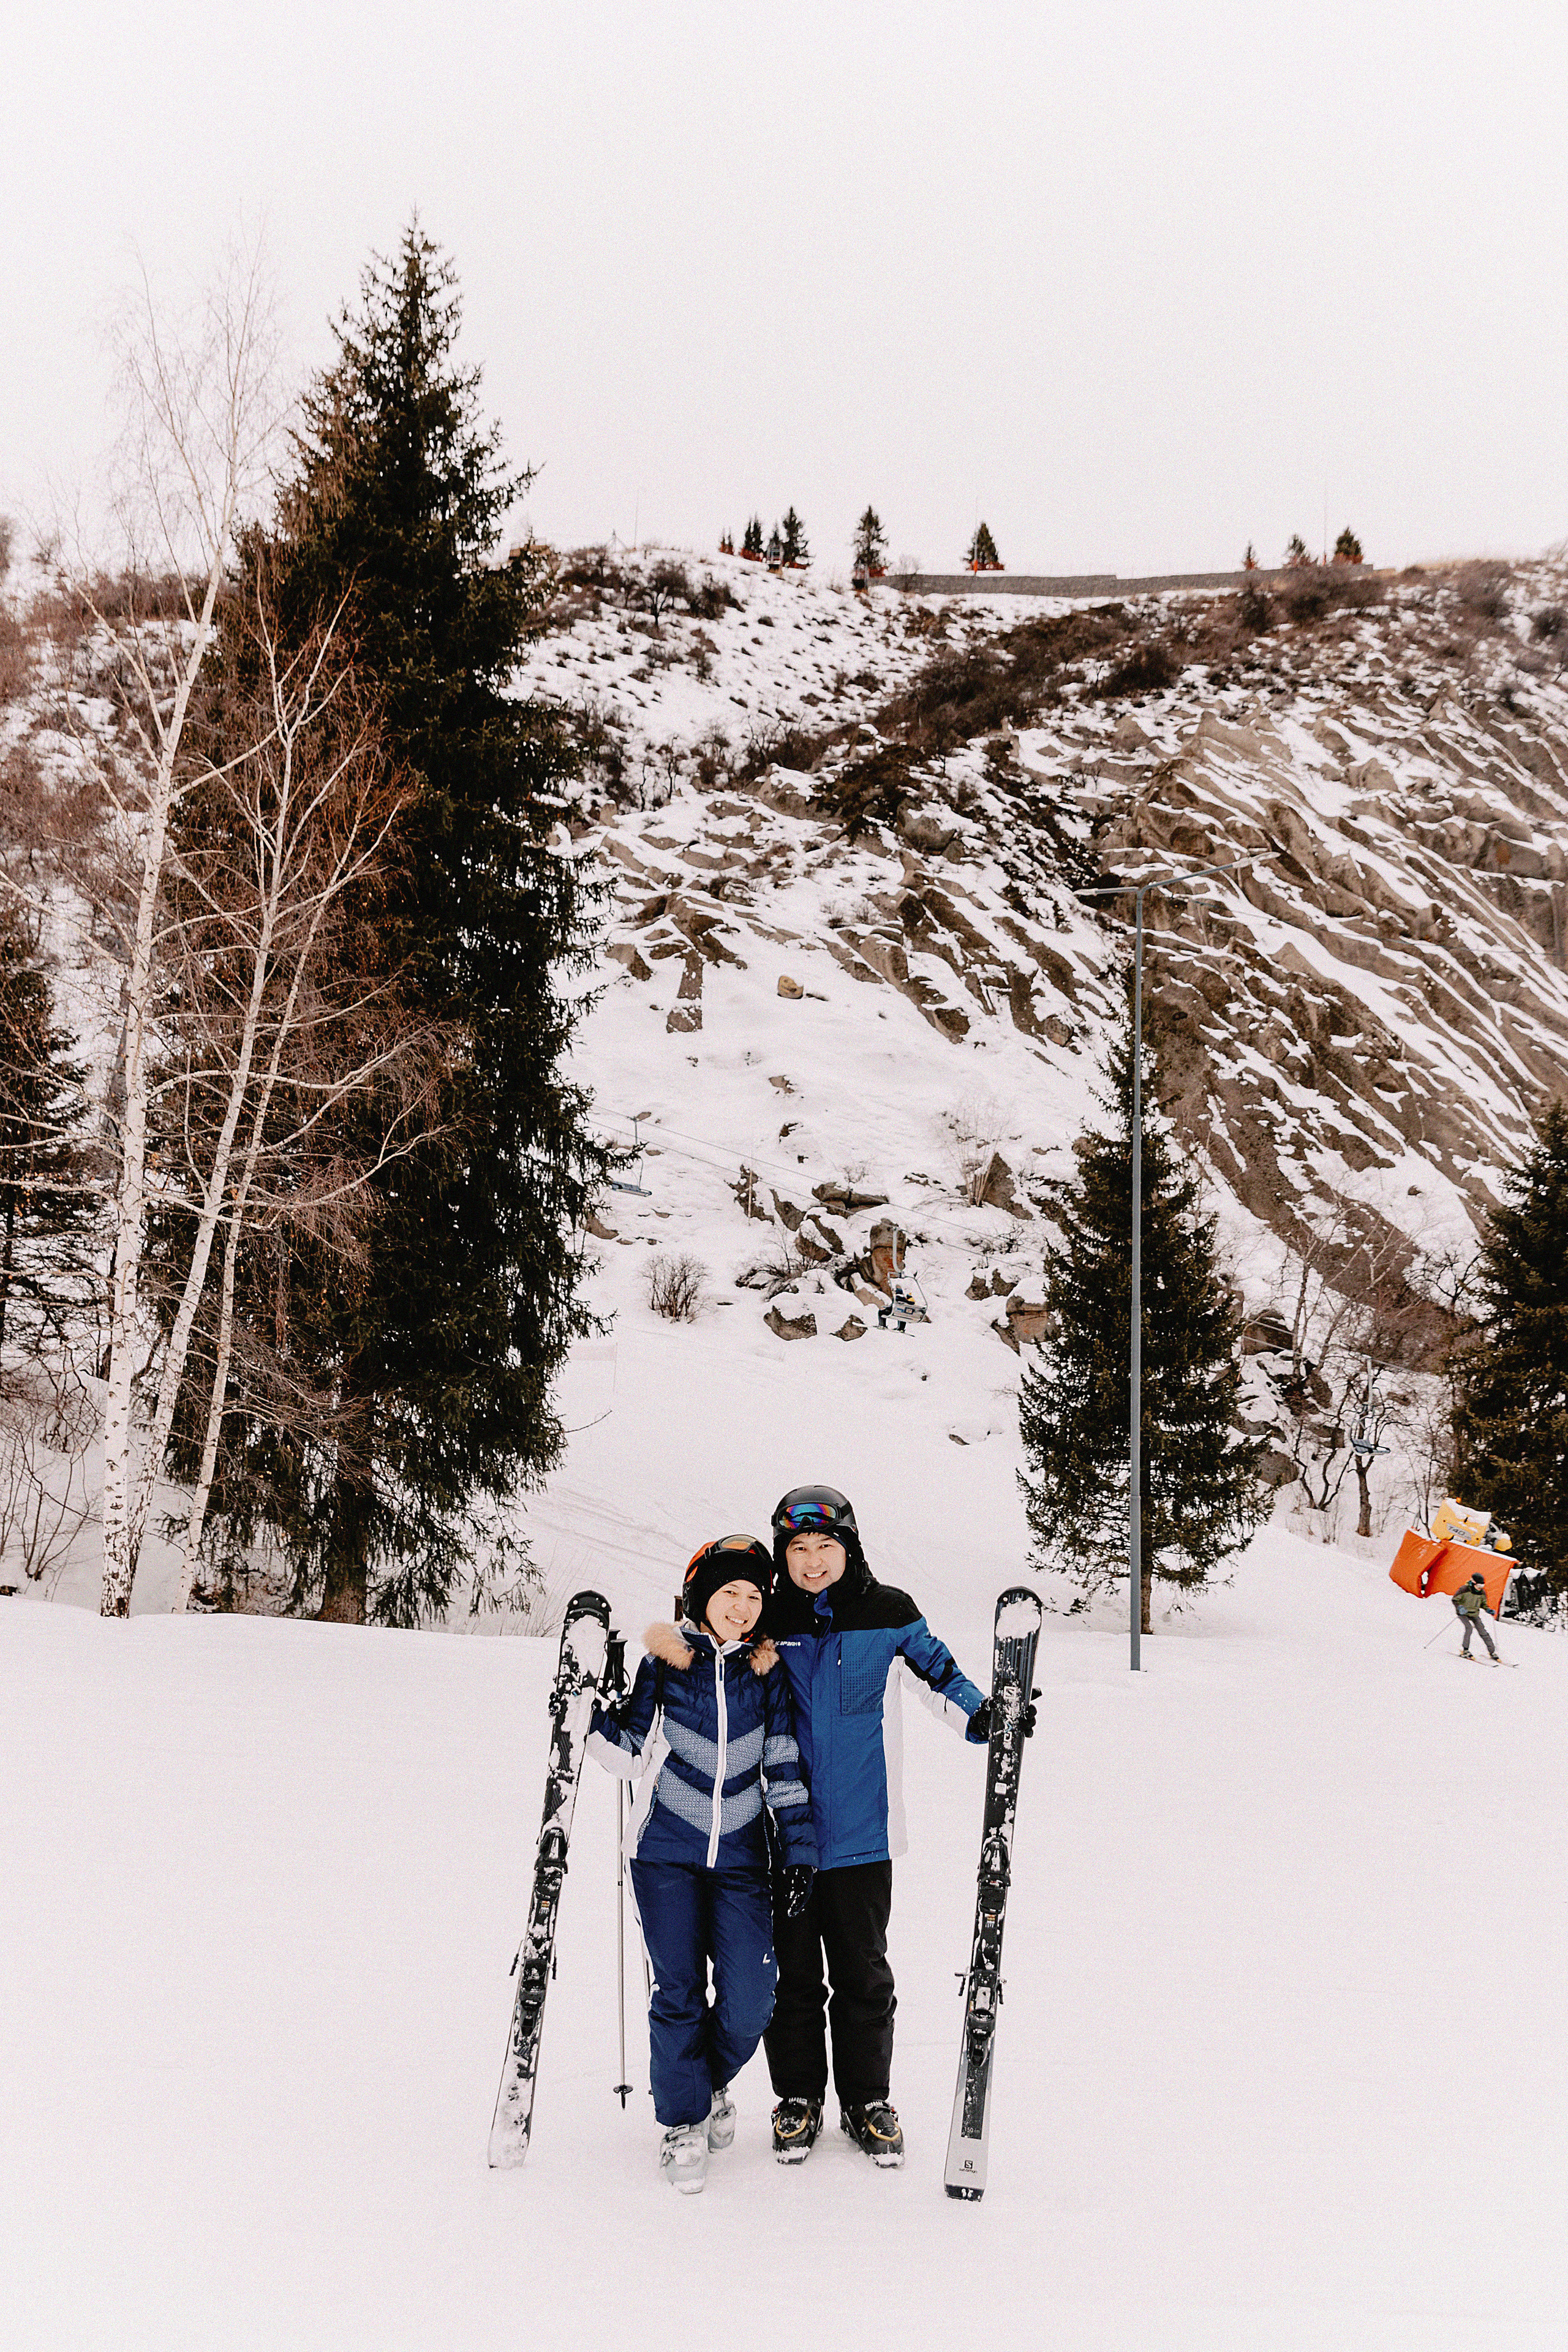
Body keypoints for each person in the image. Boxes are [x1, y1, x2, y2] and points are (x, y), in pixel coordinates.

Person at [761, 1484, 998, 2169]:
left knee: (863, 1974)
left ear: (849, 1547)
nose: (812, 1561)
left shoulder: (887, 1613)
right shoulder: (767, 1618)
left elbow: (938, 1677)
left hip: (865, 1834)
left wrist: (986, 1715)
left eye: (824, 1546)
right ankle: (798, 2096)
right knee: (792, 1976)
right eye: (798, 1549)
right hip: (783, 1835)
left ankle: (866, 2100)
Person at [586, 1535, 815, 2195]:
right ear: (701, 1596)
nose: (742, 1607)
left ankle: (703, 2081)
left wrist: (798, 1853)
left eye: (753, 1596)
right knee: (678, 1992)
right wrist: (589, 1714)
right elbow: (629, 1751)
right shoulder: (665, 1663)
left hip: (742, 1857)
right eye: (729, 1593)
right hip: (664, 1854)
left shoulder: (765, 1673)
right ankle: (684, 2122)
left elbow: (782, 1765)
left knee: (752, 1997)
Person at [1453, 1569, 1500, 1661]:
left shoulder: (1482, 1592)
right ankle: (1465, 1650)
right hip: (1463, 1613)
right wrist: (1460, 1607)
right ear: (1473, 1583)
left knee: (1483, 1631)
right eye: (1479, 1586)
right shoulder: (1464, 1589)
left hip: (1474, 1614)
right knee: (1469, 1628)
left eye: (1482, 1586)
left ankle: (1492, 1652)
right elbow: (1455, 1600)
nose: (1480, 1588)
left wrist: (1488, 1610)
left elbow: (1483, 1604)